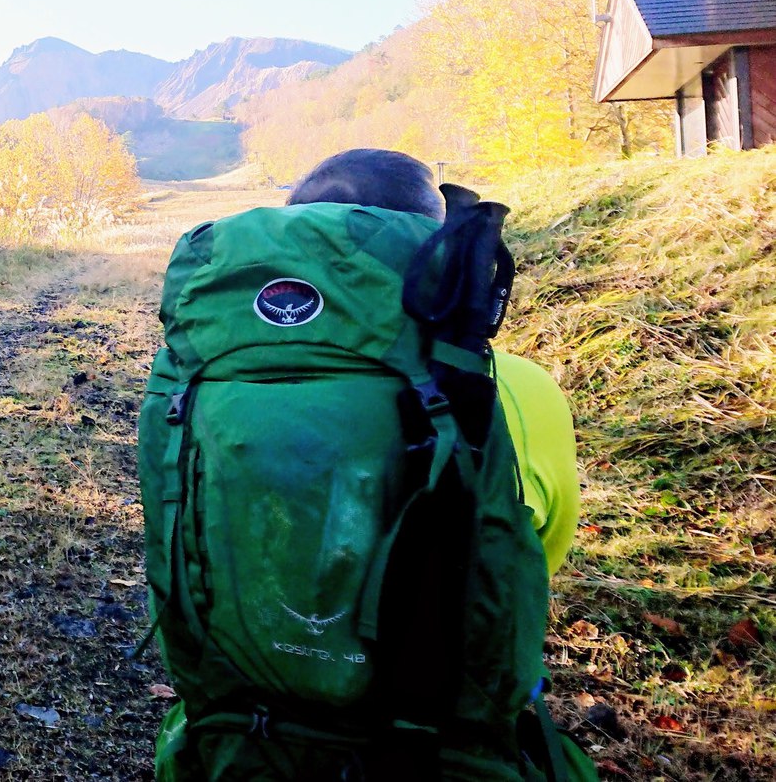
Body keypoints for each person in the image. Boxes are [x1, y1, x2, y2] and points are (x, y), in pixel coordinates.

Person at [139, 148, 585, 781]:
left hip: (232, 745)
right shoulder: (508, 390)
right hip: (431, 753)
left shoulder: (196, 382)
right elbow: (541, 549)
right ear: (435, 255)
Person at [284, 148, 579, 575]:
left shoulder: (209, 382)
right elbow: (543, 556)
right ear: (436, 250)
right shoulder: (517, 388)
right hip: (444, 637)